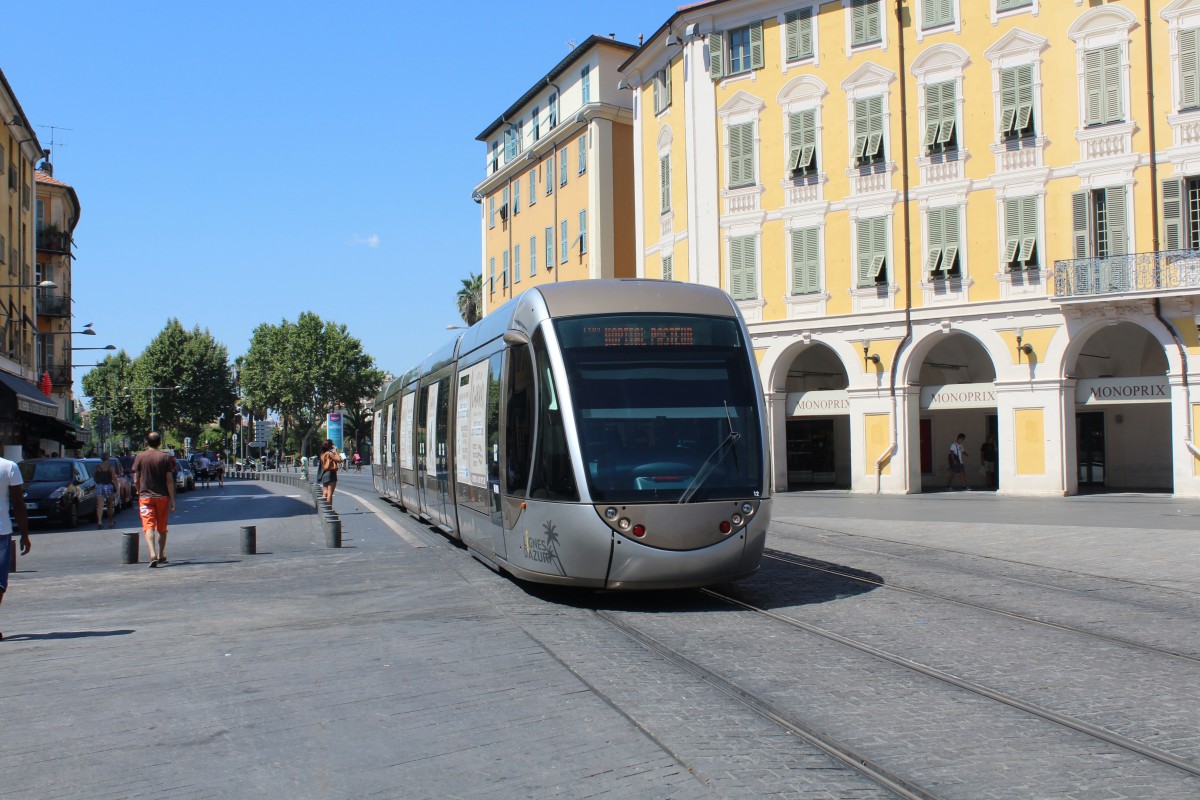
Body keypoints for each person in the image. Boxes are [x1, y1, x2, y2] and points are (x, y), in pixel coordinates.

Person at [132, 432, 177, 568]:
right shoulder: (165, 458)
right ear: (159, 442)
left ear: (147, 442)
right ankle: (161, 554)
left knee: (148, 526)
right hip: (162, 497)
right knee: (162, 528)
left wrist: (139, 490)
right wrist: (172, 499)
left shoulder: (140, 457)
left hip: (145, 498)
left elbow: (136, 479)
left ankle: (152, 554)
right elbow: (169, 480)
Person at [0, 455, 31, 641]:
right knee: (0, 582)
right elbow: (18, 504)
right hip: (2, 531)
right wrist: (25, 534)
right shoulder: (8, 467)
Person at [92, 453, 118, 529]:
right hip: (108, 486)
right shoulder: (110, 467)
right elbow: (114, 478)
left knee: (100, 506)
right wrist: (117, 489)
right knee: (110, 506)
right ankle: (110, 522)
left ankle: (99, 522)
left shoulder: (97, 467)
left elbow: (95, 477)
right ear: (108, 458)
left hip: (100, 486)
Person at [318, 439, 342, 504]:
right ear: (330, 446)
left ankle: (323, 508)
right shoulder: (330, 453)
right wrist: (335, 451)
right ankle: (329, 509)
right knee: (330, 493)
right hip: (331, 474)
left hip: (324, 474)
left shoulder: (322, 454)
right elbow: (339, 460)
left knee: (325, 492)